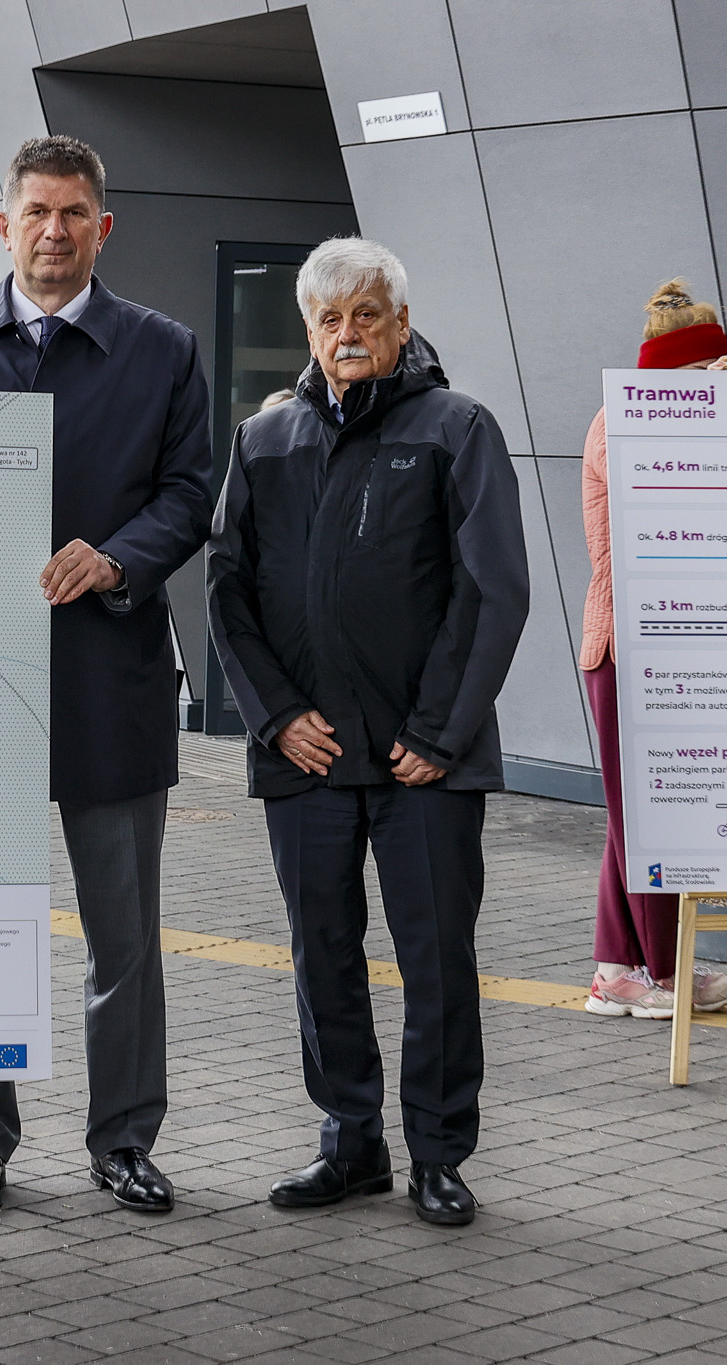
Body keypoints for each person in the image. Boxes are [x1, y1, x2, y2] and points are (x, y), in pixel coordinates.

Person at [0, 136, 214, 1216]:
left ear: (101, 227)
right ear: (2, 223)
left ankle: (123, 1138)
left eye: (73, 212)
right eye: (34, 210)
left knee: (121, 937)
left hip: (107, 677)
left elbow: (188, 492)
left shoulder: (163, 351)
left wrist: (115, 556)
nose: (52, 230)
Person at [206, 237, 528, 1227]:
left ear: (400, 324)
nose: (347, 335)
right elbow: (226, 591)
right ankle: (349, 1143)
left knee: (435, 961)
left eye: (366, 317)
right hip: (304, 756)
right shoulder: (264, 439)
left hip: (423, 762)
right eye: (328, 319)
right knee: (321, 957)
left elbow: (490, 591)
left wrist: (436, 731)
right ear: (306, 329)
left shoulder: (455, 428)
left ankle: (438, 1152)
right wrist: (272, 717)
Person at [581, 280, 727, 1019]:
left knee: (634, 810)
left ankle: (616, 970)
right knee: (648, 815)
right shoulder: (623, 424)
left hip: (665, 645)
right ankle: (666, 974)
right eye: (708, 376)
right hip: (626, 647)